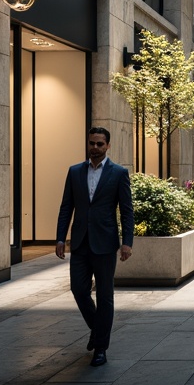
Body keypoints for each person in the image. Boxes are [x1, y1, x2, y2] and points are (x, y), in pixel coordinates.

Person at [56, 127, 133, 367]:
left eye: (100, 144)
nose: (95, 148)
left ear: (108, 146)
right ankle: (98, 329)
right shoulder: (75, 171)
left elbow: (127, 210)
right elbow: (66, 206)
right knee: (78, 290)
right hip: (79, 243)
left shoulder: (118, 173)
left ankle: (101, 347)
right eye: (92, 143)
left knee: (105, 296)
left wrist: (127, 243)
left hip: (105, 243)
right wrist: (60, 237)